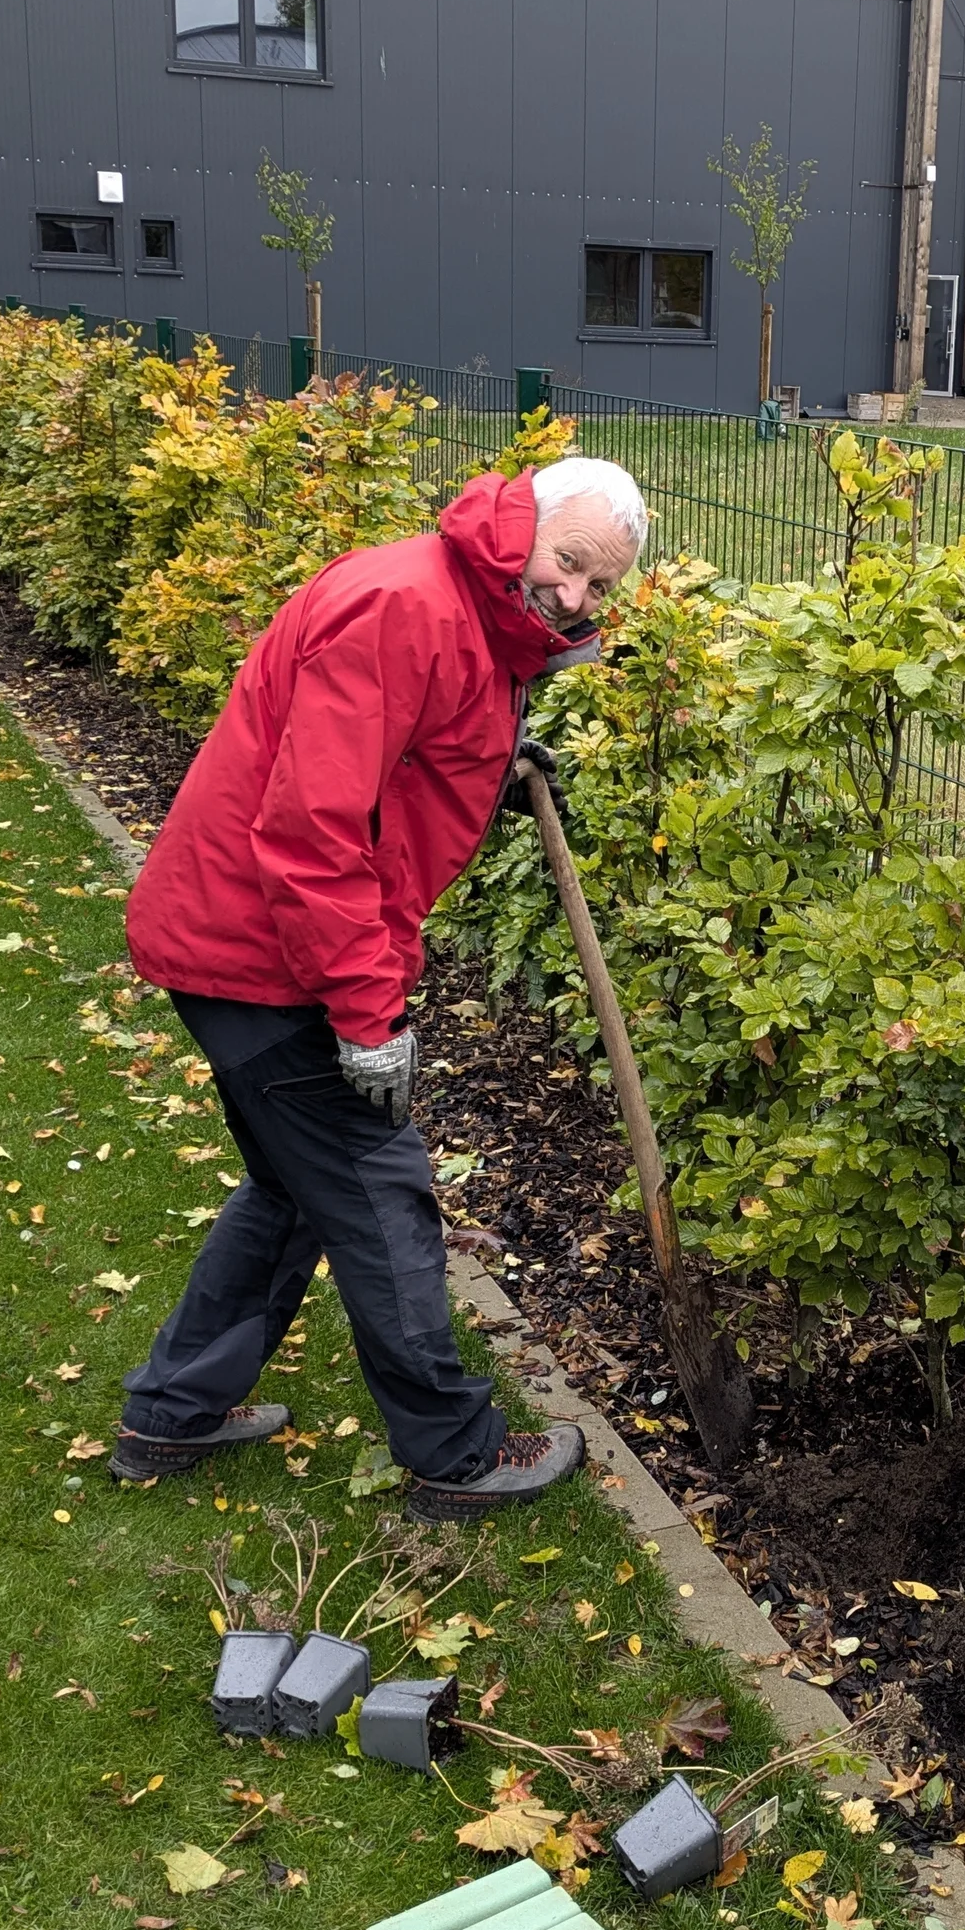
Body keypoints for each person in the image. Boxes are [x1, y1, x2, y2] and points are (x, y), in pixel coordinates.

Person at [110, 454, 647, 1521]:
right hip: (260, 953)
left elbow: (396, 757)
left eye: (602, 586)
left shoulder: (468, 607)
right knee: (378, 1188)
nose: (578, 597)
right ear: (524, 525)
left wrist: (491, 760)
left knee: (294, 1190)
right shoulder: (407, 609)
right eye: (571, 562)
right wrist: (367, 1020)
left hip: (254, 938)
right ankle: (455, 1453)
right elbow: (311, 835)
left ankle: (173, 1412)